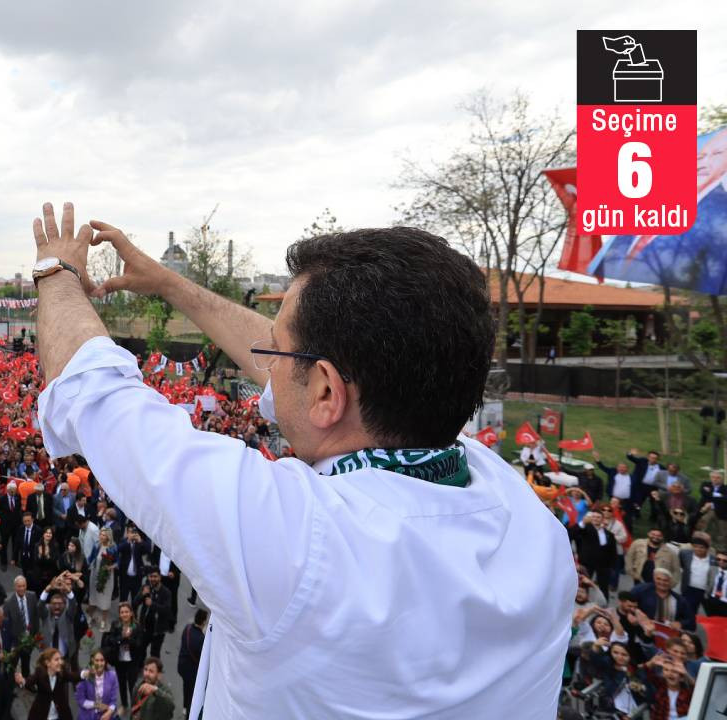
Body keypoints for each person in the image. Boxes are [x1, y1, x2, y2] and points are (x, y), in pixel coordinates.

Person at [32, 206, 574, 715]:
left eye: (279, 349)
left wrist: (56, 270)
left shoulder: (290, 542)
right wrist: (170, 284)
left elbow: (92, 392)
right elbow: (298, 369)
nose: (266, 361)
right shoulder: (530, 521)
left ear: (326, 394)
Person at [102, 601, 145, 710]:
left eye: (126, 612)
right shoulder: (116, 625)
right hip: (119, 660)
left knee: (132, 685)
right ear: (119, 614)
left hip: (132, 662)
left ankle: (134, 705)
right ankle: (125, 704)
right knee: (121, 683)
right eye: (122, 612)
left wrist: (129, 639)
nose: (124, 614)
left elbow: (140, 645)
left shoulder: (137, 627)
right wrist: (121, 638)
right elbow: (110, 640)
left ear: (131, 613)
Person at [1, 575, 43, 676]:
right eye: (19, 586)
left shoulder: (32, 596)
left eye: (23, 586)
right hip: (15, 643)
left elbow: (35, 616)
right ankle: (10, 686)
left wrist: (36, 635)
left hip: (29, 639)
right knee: (11, 666)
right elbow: (5, 626)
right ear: (15, 587)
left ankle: (26, 682)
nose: (22, 588)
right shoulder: (8, 603)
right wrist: (9, 645)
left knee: (26, 662)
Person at [19, 648, 76, 720]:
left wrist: (85, 673)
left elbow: (73, 676)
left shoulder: (62, 672)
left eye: (60, 659)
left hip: (59, 715)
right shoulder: (39, 672)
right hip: (42, 714)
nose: (60, 662)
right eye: (56, 659)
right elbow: (29, 682)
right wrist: (22, 681)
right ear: (48, 663)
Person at [177, 608, 208, 713]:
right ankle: (188, 711)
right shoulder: (201, 638)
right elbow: (202, 659)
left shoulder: (188, 628)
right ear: (204, 621)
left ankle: (185, 706)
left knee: (186, 687)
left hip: (181, 666)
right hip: (191, 671)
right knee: (192, 692)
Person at [137, 567, 172, 659]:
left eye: (155, 576)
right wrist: (142, 595)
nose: (152, 579)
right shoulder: (146, 588)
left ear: (160, 577)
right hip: (145, 627)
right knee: (140, 649)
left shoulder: (166, 593)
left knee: (154, 654)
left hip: (158, 630)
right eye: (150, 576)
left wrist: (152, 604)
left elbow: (167, 610)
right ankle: (140, 668)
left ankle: (153, 671)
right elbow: (135, 603)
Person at [75, 650, 120, 720]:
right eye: (97, 660)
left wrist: (109, 712)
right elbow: (80, 700)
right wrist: (97, 705)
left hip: (106, 714)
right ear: (92, 661)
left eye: (102, 660)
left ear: (105, 662)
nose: (99, 663)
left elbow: (113, 701)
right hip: (88, 715)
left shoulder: (112, 676)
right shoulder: (85, 676)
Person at [87, 527, 117, 631]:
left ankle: (104, 621)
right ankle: (90, 617)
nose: (101, 536)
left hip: (107, 577)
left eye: (103, 535)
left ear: (108, 536)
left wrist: (110, 567)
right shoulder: (96, 545)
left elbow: (118, 562)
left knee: (105, 599)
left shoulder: (113, 547)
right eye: (100, 534)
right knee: (93, 598)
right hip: (95, 573)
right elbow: (90, 558)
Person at [679, 532, 715, 616]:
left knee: (710, 613)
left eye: (701, 547)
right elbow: (682, 565)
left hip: (705, 591)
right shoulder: (685, 554)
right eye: (695, 547)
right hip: (690, 589)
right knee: (688, 612)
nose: (698, 549)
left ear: (707, 549)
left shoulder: (713, 560)